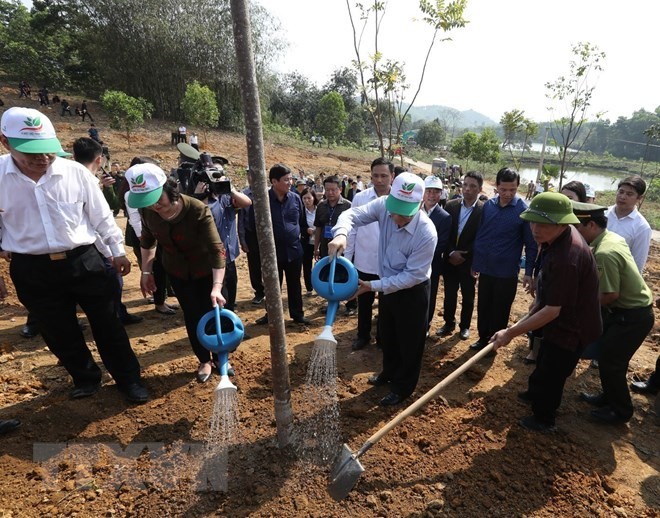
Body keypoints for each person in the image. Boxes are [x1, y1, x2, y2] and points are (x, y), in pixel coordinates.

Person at [0, 107, 148, 403]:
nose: (42, 158)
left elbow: (101, 216)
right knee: (57, 330)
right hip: (33, 268)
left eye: (48, 150)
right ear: (5, 142)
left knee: (108, 324)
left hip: (84, 260)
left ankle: (129, 379)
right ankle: (85, 377)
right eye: (32, 152)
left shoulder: (75, 172)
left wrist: (116, 252)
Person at [490, 193, 601, 432]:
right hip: (558, 319)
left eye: (543, 224)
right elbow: (547, 290)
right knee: (544, 359)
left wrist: (510, 332)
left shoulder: (567, 257)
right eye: (533, 222)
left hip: (572, 327)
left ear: (562, 223)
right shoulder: (556, 239)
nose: (535, 229)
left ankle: (544, 418)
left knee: (554, 371)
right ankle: (535, 393)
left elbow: (553, 311)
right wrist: (538, 301)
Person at [329, 172, 437, 406]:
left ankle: (403, 387)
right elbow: (353, 214)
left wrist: (373, 286)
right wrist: (341, 234)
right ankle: (388, 372)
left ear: (420, 204)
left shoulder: (426, 233)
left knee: (410, 342)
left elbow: (411, 276)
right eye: (394, 209)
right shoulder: (383, 206)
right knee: (387, 334)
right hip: (387, 286)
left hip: (412, 291)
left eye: (404, 213)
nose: (396, 216)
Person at [126, 163, 227, 383]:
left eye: (157, 199)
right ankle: (204, 360)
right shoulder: (147, 210)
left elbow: (216, 249)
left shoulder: (196, 209)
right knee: (192, 316)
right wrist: (146, 271)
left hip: (207, 271)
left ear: (169, 188)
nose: (154, 206)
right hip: (178, 272)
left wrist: (217, 287)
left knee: (214, 313)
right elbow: (147, 239)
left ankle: (221, 357)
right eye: (147, 202)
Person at [573, 202, 654, 424]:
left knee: (612, 361)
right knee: (608, 356)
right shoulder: (609, 238)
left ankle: (621, 410)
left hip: (632, 316)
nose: (575, 233)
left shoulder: (605, 253)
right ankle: (608, 397)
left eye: (577, 227)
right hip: (627, 312)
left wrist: (579, 303)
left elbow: (609, 295)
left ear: (590, 225)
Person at [72, 137, 143, 326]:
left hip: (78, 251)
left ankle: (116, 313)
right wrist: (116, 252)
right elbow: (103, 220)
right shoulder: (88, 183)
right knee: (111, 283)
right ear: (99, 160)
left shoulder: (66, 181)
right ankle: (112, 317)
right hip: (95, 248)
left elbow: (113, 207)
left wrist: (108, 188)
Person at [470, 167, 537, 351]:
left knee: (500, 309)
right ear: (496, 187)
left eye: (513, 190)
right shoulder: (488, 207)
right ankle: (483, 338)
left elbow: (531, 246)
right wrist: (476, 263)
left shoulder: (524, 211)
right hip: (487, 268)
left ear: (518, 188)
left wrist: (529, 272)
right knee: (484, 305)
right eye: (504, 189)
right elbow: (481, 236)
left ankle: (494, 343)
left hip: (507, 272)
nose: (508, 194)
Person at [345, 158, 395, 351]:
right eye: (376, 175)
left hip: (389, 264)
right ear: (371, 176)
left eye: (384, 176)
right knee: (364, 302)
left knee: (387, 304)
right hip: (364, 261)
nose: (380, 180)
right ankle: (363, 335)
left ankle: (383, 337)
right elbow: (353, 229)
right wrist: (348, 258)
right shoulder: (360, 198)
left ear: (392, 176)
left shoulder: (399, 200)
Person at [255, 164, 310, 325]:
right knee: (272, 286)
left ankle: (297, 314)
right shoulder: (263, 201)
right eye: (286, 180)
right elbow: (254, 225)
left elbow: (302, 222)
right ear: (274, 181)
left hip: (294, 251)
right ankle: (271, 314)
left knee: (294, 285)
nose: (290, 182)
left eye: (291, 179)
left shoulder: (295, 198)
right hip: (272, 253)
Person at [438, 171, 485, 340]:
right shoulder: (451, 205)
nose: (468, 189)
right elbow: (445, 233)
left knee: (468, 296)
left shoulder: (483, 210)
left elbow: (481, 237)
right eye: (465, 185)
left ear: (480, 189)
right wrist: (451, 252)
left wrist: (466, 255)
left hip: (469, 262)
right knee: (449, 294)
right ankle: (448, 322)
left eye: (473, 186)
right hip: (450, 259)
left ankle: (464, 326)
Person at [207, 169, 252, 312]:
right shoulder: (205, 201)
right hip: (213, 256)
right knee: (220, 289)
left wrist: (230, 188)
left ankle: (229, 316)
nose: (218, 181)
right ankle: (222, 321)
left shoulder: (227, 197)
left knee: (231, 287)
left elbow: (247, 202)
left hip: (230, 254)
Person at [422, 176, 451, 335]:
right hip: (411, 263)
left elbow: (441, 244)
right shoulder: (415, 211)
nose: (432, 195)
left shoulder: (444, 217)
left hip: (431, 265)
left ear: (440, 194)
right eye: (429, 191)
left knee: (429, 296)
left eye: (436, 192)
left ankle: (426, 324)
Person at [605, 176, 652, 273]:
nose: (622, 197)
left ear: (639, 198)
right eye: (621, 192)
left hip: (618, 277)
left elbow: (638, 263)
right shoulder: (603, 214)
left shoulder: (642, 227)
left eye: (629, 194)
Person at [237, 171, 265, 305]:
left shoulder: (268, 193)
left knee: (268, 264)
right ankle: (259, 292)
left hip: (266, 235)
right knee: (254, 265)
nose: (251, 177)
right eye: (248, 174)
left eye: (253, 173)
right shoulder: (243, 195)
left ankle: (270, 290)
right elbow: (241, 219)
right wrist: (242, 239)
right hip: (251, 236)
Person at [314, 175, 352, 260]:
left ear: (340, 189)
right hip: (324, 249)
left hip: (342, 251)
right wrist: (316, 248)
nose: (330, 193)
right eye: (327, 190)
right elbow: (318, 228)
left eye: (333, 190)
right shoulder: (321, 206)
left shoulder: (348, 206)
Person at [300, 188, 318, 296]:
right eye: (304, 198)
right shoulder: (300, 211)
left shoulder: (320, 209)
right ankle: (309, 288)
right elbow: (298, 225)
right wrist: (306, 230)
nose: (307, 200)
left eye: (309, 198)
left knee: (320, 265)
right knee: (306, 266)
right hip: (306, 242)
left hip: (319, 242)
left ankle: (321, 287)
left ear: (314, 198)